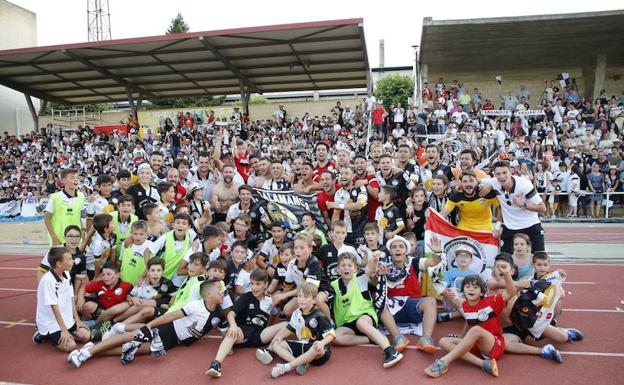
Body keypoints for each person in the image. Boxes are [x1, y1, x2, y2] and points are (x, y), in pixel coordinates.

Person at [67, 279, 228, 367]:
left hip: (173, 341)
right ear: (207, 294)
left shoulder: (219, 314)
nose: (222, 292)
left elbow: (225, 335)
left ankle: (93, 350)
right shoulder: (196, 306)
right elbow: (170, 317)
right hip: (167, 329)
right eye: (218, 289)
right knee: (130, 337)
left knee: (131, 350)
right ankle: (86, 354)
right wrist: (150, 326)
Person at [424, 266, 515, 378]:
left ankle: (444, 362)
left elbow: (511, 292)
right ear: (464, 290)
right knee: (443, 341)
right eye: (468, 286)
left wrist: (506, 274)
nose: (471, 289)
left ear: (482, 292)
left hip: (493, 344)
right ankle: (484, 364)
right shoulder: (465, 305)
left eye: (475, 287)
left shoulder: (491, 301)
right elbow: (469, 320)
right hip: (476, 345)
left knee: (476, 330)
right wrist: (462, 335)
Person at [206, 269, 287, 377]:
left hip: (259, 335)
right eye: (252, 284)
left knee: (286, 324)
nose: (254, 287)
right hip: (242, 332)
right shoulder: (246, 297)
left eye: (258, 284)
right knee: (233, 332)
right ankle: (216, 364)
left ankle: (269, 350)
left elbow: (273, 315)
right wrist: (233, 326)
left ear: (266, 284)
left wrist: (270, 328)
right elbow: (231, 314)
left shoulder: (269, 301)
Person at [331, 252, 404, 368]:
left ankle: (390, 351)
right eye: (343, 265)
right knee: (335, 338)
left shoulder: (360, 278)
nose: (346, 268)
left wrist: (375, 259)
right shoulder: (333, 285)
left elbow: (370, 269)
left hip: (364, 315)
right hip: (347, 323)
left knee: (361, 323)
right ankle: (371, 338)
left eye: (349, 265)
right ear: (338, 268)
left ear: (355, 268)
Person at [256, 282, 336, 378]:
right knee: (276, 344)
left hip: (318, 351)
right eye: (299, 296)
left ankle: (286, 367)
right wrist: (278, 337)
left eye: (305, 297)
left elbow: (331, 335)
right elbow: (290, 329)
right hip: (303, 345)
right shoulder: (296, 313)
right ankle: (301, 364)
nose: (301, 299)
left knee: (317, 348)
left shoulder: (319, 315)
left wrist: (322, 343)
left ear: (314, 300)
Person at [480, 160, 546, 254]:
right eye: (498, 174)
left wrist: (523, 205)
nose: (502, 177)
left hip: (531, 225)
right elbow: (473, 180)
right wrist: (488, 186)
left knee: (539, 258)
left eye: (504, 173)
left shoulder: (524, 184)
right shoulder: (494, 182)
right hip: (510, 227)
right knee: (504, 259)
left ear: (510, 172)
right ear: (494, 174)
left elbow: (542, 208)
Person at [34, 246, 91, 350]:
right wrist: (63, 329)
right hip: (51, 322)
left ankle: (64, 334)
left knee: (86, 336)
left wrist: (77, 320)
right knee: (71, 346)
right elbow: (53, 306)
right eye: (69, 259)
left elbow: (70, 298)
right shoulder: (48, 281)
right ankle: (43, 334)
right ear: (59, 264)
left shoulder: (66, 274)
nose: (73, 261)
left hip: (66, 318)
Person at [44, 168, 85, 246]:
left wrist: (83, 234)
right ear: (63, 181)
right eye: (72, 177)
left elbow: (78, 216)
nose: (76, 180)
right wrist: (54, 238)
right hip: (59, 240)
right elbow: (47, 219)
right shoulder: (55, 197)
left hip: (76, 240)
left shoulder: (81, 196)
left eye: (77, 177)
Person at [119, 220, 153, 286]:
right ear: (131, 233)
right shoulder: (125, 243)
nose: (138, 237)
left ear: (146, 234)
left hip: (139, 284)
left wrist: (143, 277)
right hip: (124, 281)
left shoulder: (151, 246)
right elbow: (120, 261)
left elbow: (151, 266)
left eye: (141, 234)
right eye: (135, 234)